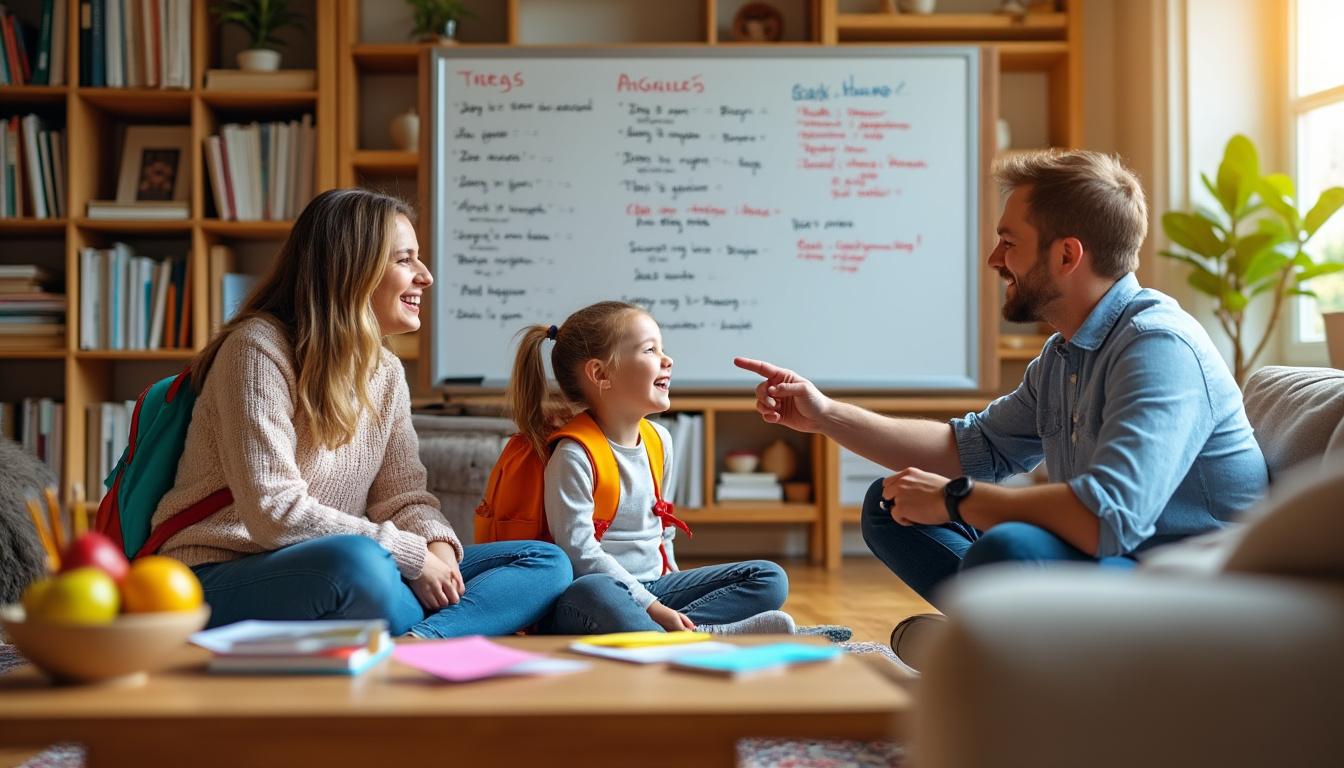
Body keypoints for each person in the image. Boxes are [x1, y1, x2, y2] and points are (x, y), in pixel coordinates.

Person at [736, 149, 1268, 616]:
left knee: (1007, 552)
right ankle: (997, 641)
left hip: (1184, 589)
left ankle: (993, 647)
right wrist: (825, 413)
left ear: (1066, 255)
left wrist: (956, 499)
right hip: (1108, 563)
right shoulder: (1066, 354)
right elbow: (970, 448)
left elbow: (1107, 518)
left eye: (1008, 242)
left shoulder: (1159, 347)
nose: (995, 260)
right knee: (889, 504)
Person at [151, 188, 572, 637]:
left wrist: (438, 549)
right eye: (404, 260)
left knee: (546, 562)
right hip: (222, 573)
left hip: (339, 569)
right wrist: (412, 557)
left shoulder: (385, 371)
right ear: (352, 270)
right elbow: (273, 513)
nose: (425, 276)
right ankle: (452, 623)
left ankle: (423, 640)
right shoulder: (256, 350)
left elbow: (403, 497)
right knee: (361, 565)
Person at [509, 301, 794, 634]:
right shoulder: (574, 454)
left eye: (663, 349)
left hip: (655, 588)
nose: (667, 359)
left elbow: (663, 530)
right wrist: (653, 606)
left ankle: (679, 631)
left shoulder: (660, 440)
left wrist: (668, 585)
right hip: (592, 594)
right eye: (650, 350)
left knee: (769, 577)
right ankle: (693, 630)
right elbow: (579, 553)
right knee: (595, 592)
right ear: (601, 374)